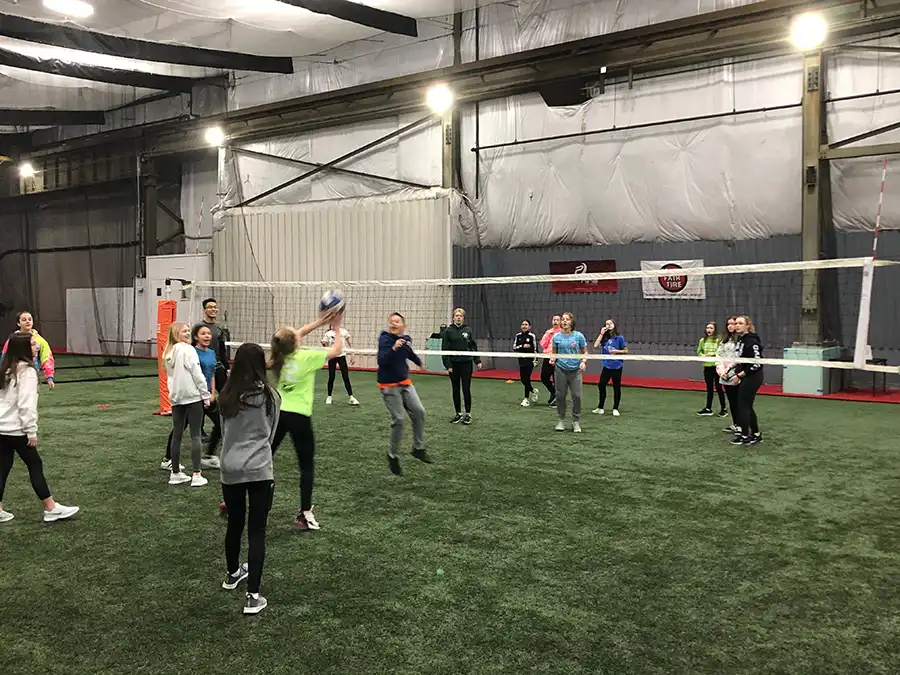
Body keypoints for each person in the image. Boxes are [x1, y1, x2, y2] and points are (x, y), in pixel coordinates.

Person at [218, 342, 281, 616]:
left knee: (234, 523)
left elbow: (223, 433)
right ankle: (253, 596)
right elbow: (271, 433)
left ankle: (233, 574)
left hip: (230, 468)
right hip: (259, 469)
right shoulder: (271, 397)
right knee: (256, 532)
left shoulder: (226, 396)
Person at [270, 310, 344, 531]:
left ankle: (233, 498)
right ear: (295, 341)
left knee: (263, 457)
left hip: (279, 414)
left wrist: (322, 322)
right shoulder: (307, 357)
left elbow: (293, 335)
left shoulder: (278, 356)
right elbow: (337, 350)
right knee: (306, 466)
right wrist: (336, 326)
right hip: (300, 417)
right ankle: (305, 513)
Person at [0, 332, 78, 523]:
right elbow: (26, 404)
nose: (38, 346)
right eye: (34, 344)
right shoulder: (26, 372)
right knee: (35, 465)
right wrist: (31, 430)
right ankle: (51, 508)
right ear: (24, 348)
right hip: (17, 430)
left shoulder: (6, 369)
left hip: (2, 429)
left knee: (2, 467)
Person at [161, 324, 222, 472]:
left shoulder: (211, 353)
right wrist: (202, 395)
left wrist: (211, 393)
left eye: (208, 333)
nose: (207, 336)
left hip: (204, 394)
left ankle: (208, 456)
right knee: (181, 428)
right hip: (194, 397)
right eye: (203, 334)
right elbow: (193, 375)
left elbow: (211, 374)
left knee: (220, 422)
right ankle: (170, 460)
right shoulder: (189, 351)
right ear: (196, 337)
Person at [377, 312, 432, 476]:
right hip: (388, 385)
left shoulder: (406, 339)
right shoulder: (385, 339)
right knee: (399, 419)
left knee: (419, 411)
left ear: (403, 326)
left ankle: (418, 448)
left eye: (397, 321)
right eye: (391, 321)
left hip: (404, 383)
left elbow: (409, 353)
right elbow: (382, 361)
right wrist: (394, 348)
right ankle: (392, 456)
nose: (393, 324)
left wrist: (420, 363)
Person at [441, 307, 481, 425]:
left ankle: (468, 414)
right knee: (455, 389)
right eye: (456, 315)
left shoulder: (468, 330)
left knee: (466, 388)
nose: (458, 317)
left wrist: (477, 360)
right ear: (453, 317)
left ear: (463, 318)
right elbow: (444, 349)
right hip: (454, 364)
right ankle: (458, 413)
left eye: (461, 316)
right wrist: (448, 364)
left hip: (466, 363)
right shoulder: (448, 331)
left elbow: (473, 346)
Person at [729, 315, 764, 446]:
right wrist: (731, 370)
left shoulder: (752, 341)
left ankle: (745, 435)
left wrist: (740, 375)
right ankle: (755, 434)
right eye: (736, 323)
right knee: (746, 406)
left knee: (743, 406)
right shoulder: (741, 340)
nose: (737, 325)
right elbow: (740, 360)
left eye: (740, 323)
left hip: (753, 376)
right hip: (745, 375)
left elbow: (756, 363)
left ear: (747, 326)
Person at [551, 312, 587, 433]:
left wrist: (583, 361)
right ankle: (561, 420)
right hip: (560, 369)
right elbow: (554, 353)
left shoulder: (579, 336)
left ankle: (576, 421)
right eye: (563, 320)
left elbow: (584, 352)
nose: (564, 321)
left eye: (567, 319)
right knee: (560, 396)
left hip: (576, 370)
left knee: (577, 396)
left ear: (572, 322)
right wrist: (553, 358)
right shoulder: (556, 337)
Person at [2, 311, 55, 389]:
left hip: (31, 371)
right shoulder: (13, 339)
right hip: (15, 372)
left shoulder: (40, 340)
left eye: (30, 319)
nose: (27, 321)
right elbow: (5, 356)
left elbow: (47, 357)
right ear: (18, 323)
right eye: (24, 320)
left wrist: (49, 376)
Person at [592, 318, 628, 417]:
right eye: (607, 324)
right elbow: (595, 346)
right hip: (606, 366)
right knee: (601, 385)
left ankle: (615, 408)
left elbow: (626, 351)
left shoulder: (619, 338)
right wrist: (601, 334)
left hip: (617, 366)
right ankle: (600, 408)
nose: (608, 325)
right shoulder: (604, 339)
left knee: (616, 387)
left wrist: (617, 351)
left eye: (610, 323)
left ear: (614, 325)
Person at [322, 323, 359, 406]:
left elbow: (350, 344)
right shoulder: (328, 333)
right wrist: (324, 344)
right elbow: (325, 345)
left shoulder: (343, 331)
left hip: (341, 356)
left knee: (345, 377)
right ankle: (329, 396)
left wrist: (352, 355)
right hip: (332, 356)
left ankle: (351, 397)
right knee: (331, 377)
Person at [716, 317, 741, 434]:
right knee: (731, 401)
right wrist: (721, 372)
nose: (730, 326)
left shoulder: (740, 340)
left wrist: (729, 370)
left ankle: (742, 425)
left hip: (736, 373)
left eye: (733, 324)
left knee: (739, 401)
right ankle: (736, 424)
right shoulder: (724, 340)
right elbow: (719, 356)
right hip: (725, 374)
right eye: (728, 324)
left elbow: (738, 358)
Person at [696, 321, 727, 417]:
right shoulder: (703, 340)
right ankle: (708, 408)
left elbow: (721, 352)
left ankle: (723, 409)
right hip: (707, 366)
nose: (709, 329)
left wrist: (713, 355)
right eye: (707, 328)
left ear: (715, 330)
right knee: (709, 388)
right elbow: (699, 351)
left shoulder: (718, 340)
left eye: (711, 328)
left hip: (717, 367)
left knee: (719, 388)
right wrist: (704, 355)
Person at [512, 320, 539, 407]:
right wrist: (522, 346)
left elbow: (535, 349)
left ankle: (526, 399)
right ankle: (533, 391)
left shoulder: (532, 336)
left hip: (530, 361)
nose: (524, 326)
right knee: (523, 379)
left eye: (526, 325)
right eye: (523, 324)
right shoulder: (518, 336)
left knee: (527, 378)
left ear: (529, 327)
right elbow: (514, 347)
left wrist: (536, 360)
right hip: (521, 360)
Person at [539, 315, 561, 406]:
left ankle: (557, 400)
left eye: (557, 320)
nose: (555, 321)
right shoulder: (549, 332)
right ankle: (553, 392)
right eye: (554, 320)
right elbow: (543, 344)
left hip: (558, 358)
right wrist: (548, 335)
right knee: (544, 377)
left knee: (557, 379)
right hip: (547, 356)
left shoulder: (563, 333)